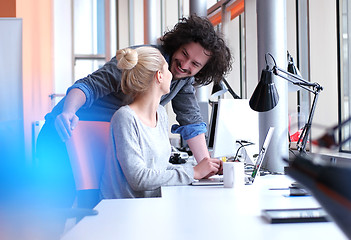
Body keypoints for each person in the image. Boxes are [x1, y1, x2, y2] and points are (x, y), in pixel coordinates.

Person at [36, 15, 232, 207]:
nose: (185, 65)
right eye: (184, 54)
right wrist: (69, 112)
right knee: (57, 209)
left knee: (89, 208)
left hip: (97, 142)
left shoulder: (180, 79)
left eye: (195, 64)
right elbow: (90, 85)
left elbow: (191, 121)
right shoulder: (143, 62)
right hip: (65, 131)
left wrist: (206, 166)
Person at [101, 47, 217, 198]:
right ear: (160, 76)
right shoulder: (125, 118)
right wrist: (193, 172)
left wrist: (199, 169)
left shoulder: (160, 114)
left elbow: (158, 168)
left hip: (152, 204)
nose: (172, 75)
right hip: (126, 208)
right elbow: (139, 178)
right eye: (167, 70)